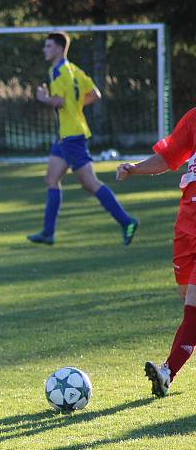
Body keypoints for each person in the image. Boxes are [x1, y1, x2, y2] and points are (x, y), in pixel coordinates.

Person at [27, 31, 138, 246]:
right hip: (66, 135)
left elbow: (58, 101)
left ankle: (127, 222)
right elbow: (95, 93)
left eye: (48, 46)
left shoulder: (57, 71)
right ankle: (48, 233)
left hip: (71, 136)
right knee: (51, 179)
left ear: (59, 48)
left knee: (89, 182)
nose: (45, 49)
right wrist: (76, 107)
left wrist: (43, 98)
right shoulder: (74, 69)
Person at [116, 107, 196, 397]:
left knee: (194, 305)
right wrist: (135, 168)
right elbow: (171, 155)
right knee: (186, 296)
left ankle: (167, 372)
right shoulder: (194, 118)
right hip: (187, 221)